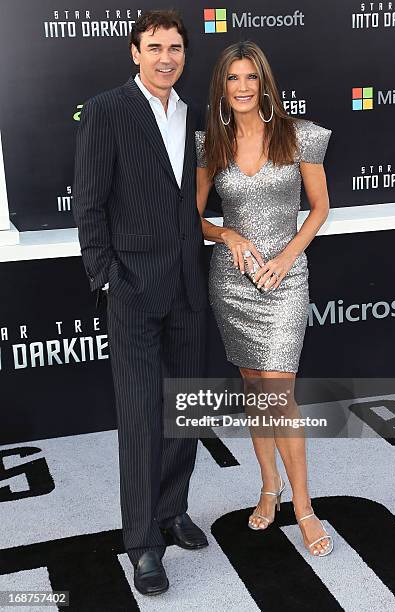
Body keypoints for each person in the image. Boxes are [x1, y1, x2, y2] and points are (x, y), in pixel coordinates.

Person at [72, 10, 209, 596]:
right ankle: (142, 544)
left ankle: (172, 509)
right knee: (139, 420)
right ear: (134, 52)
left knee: (186, 405)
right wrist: (106, 278)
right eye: (154, 47)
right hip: (129, 287)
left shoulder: (190, 113)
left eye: (175, 47)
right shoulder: (106, 110)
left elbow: (190, 203)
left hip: (186, 283)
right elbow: (89, 202)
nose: (166, 58)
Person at [196, 41, 333, 557]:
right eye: (233, 78)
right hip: (233, 284)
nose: (243, 87)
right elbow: (195, 217)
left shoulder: (300, 136)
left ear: (265, 82)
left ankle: (303, 507)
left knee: (279, 394)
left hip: (284, 281)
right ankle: (268, 486)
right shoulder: (211, 145)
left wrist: (287, 257)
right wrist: (226, 235)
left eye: (251, 77)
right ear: (222, 88)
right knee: (254, 388)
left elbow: (319, 209)